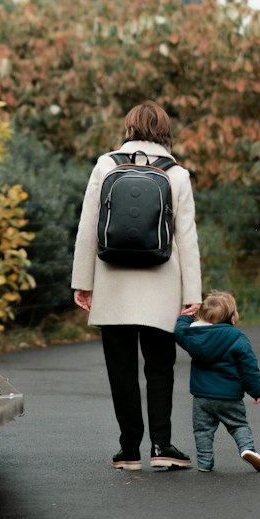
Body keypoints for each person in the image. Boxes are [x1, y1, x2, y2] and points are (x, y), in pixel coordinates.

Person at [71, 100, 202, 470]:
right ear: (164, 130)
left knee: (121, 367)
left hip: (112, 281)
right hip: (163, 284)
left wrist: (83, 282)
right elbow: (186, 238)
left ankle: (129, 450)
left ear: (129, 128)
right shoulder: (177, 174)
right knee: (160, 366)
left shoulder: (105, 165)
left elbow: (87, 227)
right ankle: (162, 447)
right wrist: (192, 293)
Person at [174, 289, 260, 473]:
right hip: (230, 396)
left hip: (202, 397)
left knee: (202, 431)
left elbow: (180, 332)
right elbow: (249, 367)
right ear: (232, 317)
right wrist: (257, 390)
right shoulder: (236, 337)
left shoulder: (194, 336)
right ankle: (247, 449)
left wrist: (185, 317)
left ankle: (205, 463)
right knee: (238, 425)